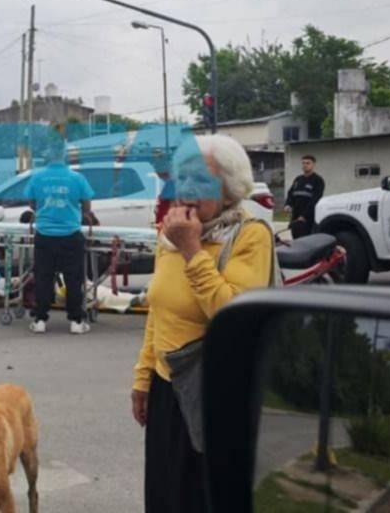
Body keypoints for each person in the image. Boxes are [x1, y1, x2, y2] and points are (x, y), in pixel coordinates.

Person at [131, 134, 274, 512]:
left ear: (229, 190)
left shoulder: (250, 236)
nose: (187, 191)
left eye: (201, 181)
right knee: (165, 494)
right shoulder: (171, 236)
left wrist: (193, 249)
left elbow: (233, 315)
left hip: (216, 390)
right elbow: (158, 311)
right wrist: (143, 377)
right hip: (169, 384)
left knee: (204, 498)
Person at [24, 138, 96, 335]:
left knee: (43, 278)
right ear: (65, 155)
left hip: (45, 235)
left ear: (48, 155)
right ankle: (76, 321)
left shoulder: (37, 178)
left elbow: (31, 202)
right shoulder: (77, 178)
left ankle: (40, 320)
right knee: (73, 279)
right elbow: (87, 207)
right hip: (70, 235)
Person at [284, 155, 325, 239]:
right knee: (295, 240)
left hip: (308, 219)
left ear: (313, 165)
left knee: (306, 241)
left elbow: (315, 200)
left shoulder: (318, 180)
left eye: (308, 163)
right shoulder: (298, 180)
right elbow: (291, 193)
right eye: (303, 163)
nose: (305, 165)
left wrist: (304, 216)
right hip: (295, 217)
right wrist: (288, 204)